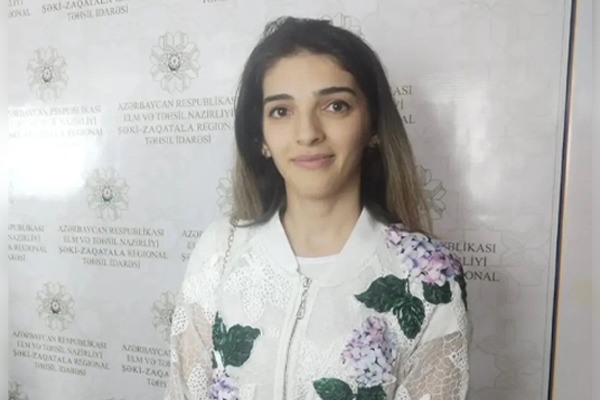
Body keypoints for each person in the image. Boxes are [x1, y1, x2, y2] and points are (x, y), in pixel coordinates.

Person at [165, 16, 469, 400]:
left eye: (335, 106)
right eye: (281, 111)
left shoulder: (430, 278)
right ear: (261, 138)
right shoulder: (219, 251)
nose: (307, 133)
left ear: (373, 127)